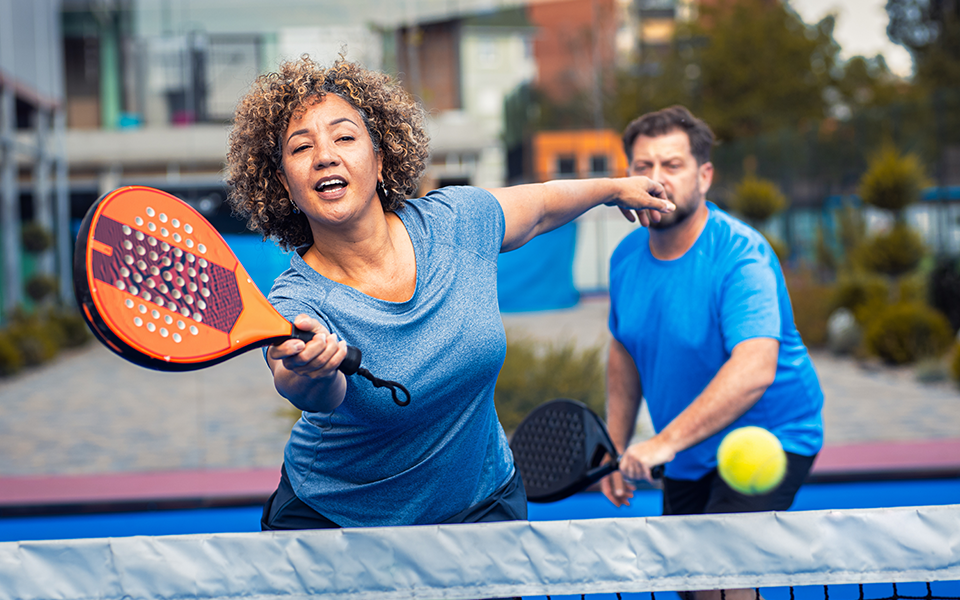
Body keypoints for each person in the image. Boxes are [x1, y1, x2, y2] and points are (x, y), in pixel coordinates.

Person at [225, 56, 675, 530]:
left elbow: (541, 205)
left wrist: (614, 188)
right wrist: (309, 370)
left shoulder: (455, 222)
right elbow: (310, 390)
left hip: (482, 503)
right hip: (337, 519)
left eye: (344, 136)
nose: (325, 155)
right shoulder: (296, 301)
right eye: (301, 148)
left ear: (380, 161)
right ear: (286, 187)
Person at [601, 106, 823, 525]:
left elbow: (755, 369)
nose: (656, 177)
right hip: (687, 449)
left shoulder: (742, 255)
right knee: (691, 583)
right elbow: (624, 349)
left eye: (672, 164)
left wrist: (663, 442)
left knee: (722, 581)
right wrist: (615, 447)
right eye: (643, 165)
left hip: (767, 438)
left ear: (703, 176)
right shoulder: (624, 259)